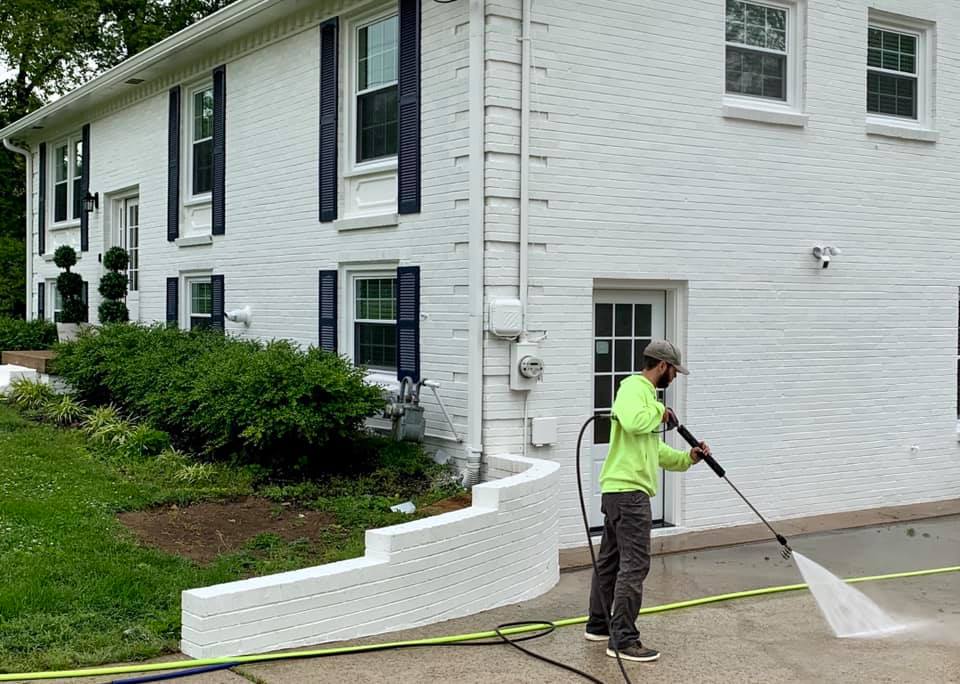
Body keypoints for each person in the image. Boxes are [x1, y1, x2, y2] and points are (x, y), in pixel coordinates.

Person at [584, 339, 711, 663]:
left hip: (619, 493)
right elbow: (633, 421)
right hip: (629, 495)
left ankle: (599, 626)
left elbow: (653, 450)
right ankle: (623, 639)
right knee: (635, 565)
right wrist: (661, 412)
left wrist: (689, 458)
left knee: (611, 562)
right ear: (662, 366)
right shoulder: (634, 388)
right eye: (674, 371)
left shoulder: (645, 398)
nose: (675, 377)